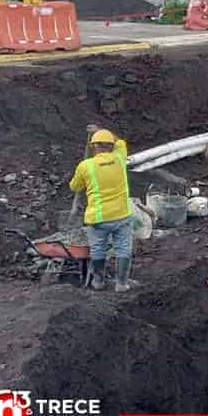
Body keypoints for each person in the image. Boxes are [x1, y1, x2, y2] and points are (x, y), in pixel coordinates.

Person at [69, 125, 135, 293]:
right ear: (111, 145)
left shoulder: (86, 166)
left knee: (98, 249)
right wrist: (99, 129)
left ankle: (98, 281)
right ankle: (121, 284)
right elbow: (119, 141)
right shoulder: (120, 158)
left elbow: (74, 187)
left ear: (93, 146)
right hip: (122, 215)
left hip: (98, 218)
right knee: (123, 248)